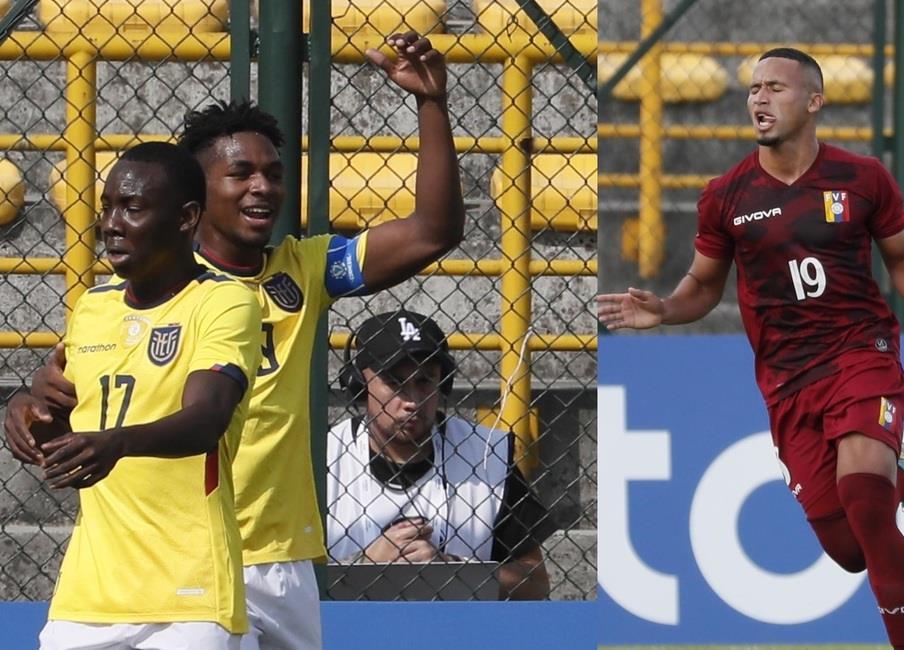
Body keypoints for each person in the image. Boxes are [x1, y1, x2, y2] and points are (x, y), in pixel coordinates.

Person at [6, 32, 465, 650]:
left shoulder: (303, 269)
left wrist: (431, 104)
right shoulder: (134, 295)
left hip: (274, 554)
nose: (264, 188)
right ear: (192, 201)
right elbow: (70, 394)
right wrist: (35, 401)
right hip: (171, 552)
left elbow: (434, 230)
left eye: (274, 174)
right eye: (241, 173)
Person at [597, 48, 904, 650]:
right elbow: (701, 285)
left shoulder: (863, 178)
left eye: (775, 87)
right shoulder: (726, 196)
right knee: (851, 550)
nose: (759, 99)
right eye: (753, 89)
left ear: (814, 102)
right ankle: (902, 480)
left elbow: (902, 257)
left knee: (863, 499)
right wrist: (665, 309)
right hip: (788, 382)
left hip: (861, 353)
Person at [5, 142, 262, 649]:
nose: (112, 225)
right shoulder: (93, 309)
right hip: (90, 594)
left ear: (187, 217)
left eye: (133, 208)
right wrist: (25, 411)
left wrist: (116, 443)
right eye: (107, 208)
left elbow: (206, 418)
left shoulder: (225, 302)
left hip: (189, 595)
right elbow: (61, 419)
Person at [325, 309, 555, 601]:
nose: (412, 401)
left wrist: (451, 571)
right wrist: (364, 567)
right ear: (360, 385)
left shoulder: (485, 455)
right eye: (395, 382)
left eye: (425, 380)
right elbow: (288, 577)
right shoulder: (325, 456)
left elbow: (535, 582)